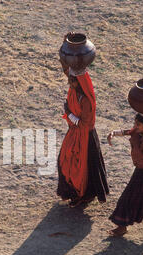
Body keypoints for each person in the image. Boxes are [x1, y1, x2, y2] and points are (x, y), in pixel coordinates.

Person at [57, 67, 109, 207]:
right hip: (74, 133)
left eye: (72, 81)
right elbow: (67, 70)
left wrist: (69, 114)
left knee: (82, 169)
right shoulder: (74, 91)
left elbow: (85, 124)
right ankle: (73, 193)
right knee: (64, 161)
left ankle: (82, 195)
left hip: (86, 138)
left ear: (79, 82)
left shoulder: (86, 100)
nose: (69, 82)